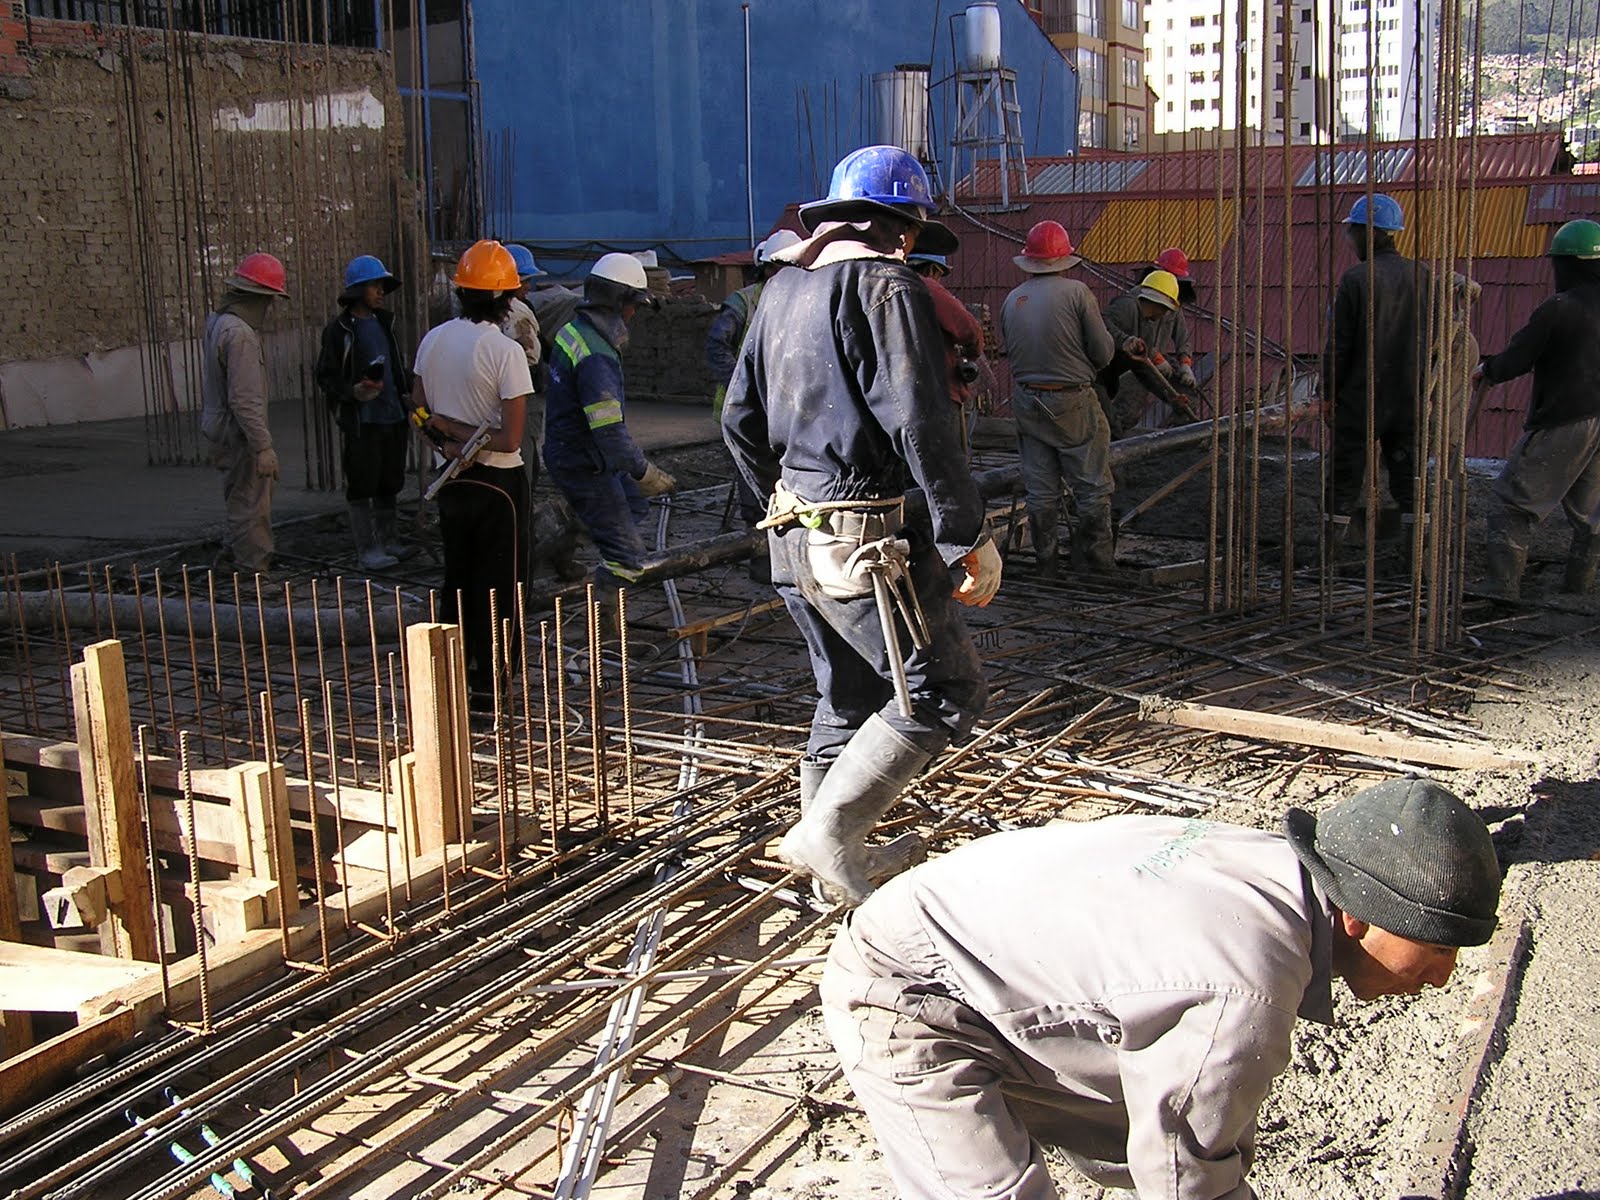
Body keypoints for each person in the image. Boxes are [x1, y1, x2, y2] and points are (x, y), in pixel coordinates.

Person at [823, 777, 1502, 1200]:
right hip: (906, 993)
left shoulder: (1275, 870)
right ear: (1354, 914)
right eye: (1437, 947)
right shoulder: (1243, 988)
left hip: (981, 957)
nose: (1440, 977)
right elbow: (1186, 1179)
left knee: (1141, 1140)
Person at [723, 144, 1002, 908]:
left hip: (793, 527)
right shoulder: (886, 285)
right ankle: (829, 835)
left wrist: (778, 504)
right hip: (863, 537)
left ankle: (822, 847)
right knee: (942, 687)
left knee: (847, 694)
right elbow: (919, 420)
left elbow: (737, 420)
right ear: (904, 228)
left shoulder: (780, 289)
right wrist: (964, 534)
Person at [412, 240, 533, 704]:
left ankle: (453, 677)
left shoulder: (433, 339)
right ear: (507, 299)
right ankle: (491, 686)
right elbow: (509, 439)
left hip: (452, 479)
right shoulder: (504, 352)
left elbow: (420, 412)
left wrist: (445, 437)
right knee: (502, 586)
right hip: (499, 483)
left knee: (458, 580)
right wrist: (464, 433)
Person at [1472, 218, 1600, 600]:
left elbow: (1518, 357)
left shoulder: (1559, 308)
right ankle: (1579, 589)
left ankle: (1502, 588)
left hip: (1567, 419)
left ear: (1566, 264)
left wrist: (1488, 370)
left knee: (1511, 502)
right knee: (1592, 513)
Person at [542, 252, 677, 593]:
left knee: (633, 504)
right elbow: (609, 431)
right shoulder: (597, 355)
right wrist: (643, 470)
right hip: (583, 461)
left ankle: (565, 533)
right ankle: (608, 633)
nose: (633, 314)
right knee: (628, 555)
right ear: (618, 302)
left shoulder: (574, 330)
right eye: (633, 305)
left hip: (572, 451)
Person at [1000, 220, 1117, 575]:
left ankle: (1046, 563)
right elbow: (1103, 353)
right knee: (1092, 485)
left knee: (1041, 491)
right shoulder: (1078, 293)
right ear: (1064, 257)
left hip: (1028, 403)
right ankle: (1097, 565)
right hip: (1072, 402)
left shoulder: (1012, 300)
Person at [1321, 193, 1433, 554]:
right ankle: (1417, 555)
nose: (1351, 241)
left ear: (1371, 233)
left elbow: (1338, 345)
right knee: (1408, 477)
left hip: (1361, 396)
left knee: (1344, 476)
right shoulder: (1424, 276)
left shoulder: (1356, 279)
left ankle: (1330, 552)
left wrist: (1327, 393)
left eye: (1353, 233)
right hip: (1409, 396)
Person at [706, 229, 802, 582]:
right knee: (755, 484)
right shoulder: (744, 302)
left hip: (785, 411)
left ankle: (787, 551)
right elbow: (716, 347)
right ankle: (761, 556)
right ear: (769, 269)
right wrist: (744, 385)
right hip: (747, 413)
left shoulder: (801, 299)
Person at [315, 254, 411, 572]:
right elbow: (326, 376)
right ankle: (367, 547)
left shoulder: (385, 323)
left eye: (382, 286)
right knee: (362, 481)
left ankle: (389, 538)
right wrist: (352, 392)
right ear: (357, 290)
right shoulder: (340, 330)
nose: (380, 292)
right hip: (363, 420)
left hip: (392, 414)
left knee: (389, 479)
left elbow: (396, 367)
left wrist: (407, 395)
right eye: (374, 286)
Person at [201, 252, 289, 574]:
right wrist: (262, 446)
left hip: (219, 426)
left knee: (239, 497)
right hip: (237, 431)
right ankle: (253, 571)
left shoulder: (218, 323)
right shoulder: (240, 335)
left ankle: (233, 555)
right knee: (251, 503)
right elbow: (244, 398)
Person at [1097, 268, 1195, 437]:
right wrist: (1125, 340)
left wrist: (1169, 396)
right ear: (1159, 303)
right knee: (1111, 429)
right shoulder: (1126, 307)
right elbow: (1099, 325)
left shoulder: (1147, 329)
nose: (1166, 315)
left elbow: (1143, 369)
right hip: (1089, 377)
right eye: (1165, 309)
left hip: (1104, 381)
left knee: (1112, 429)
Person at [906, 250, 989, 411]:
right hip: (935, 393)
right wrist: (971, 353)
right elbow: (969, 329)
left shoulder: (885, 283)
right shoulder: (926, 286)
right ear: (932, 270)